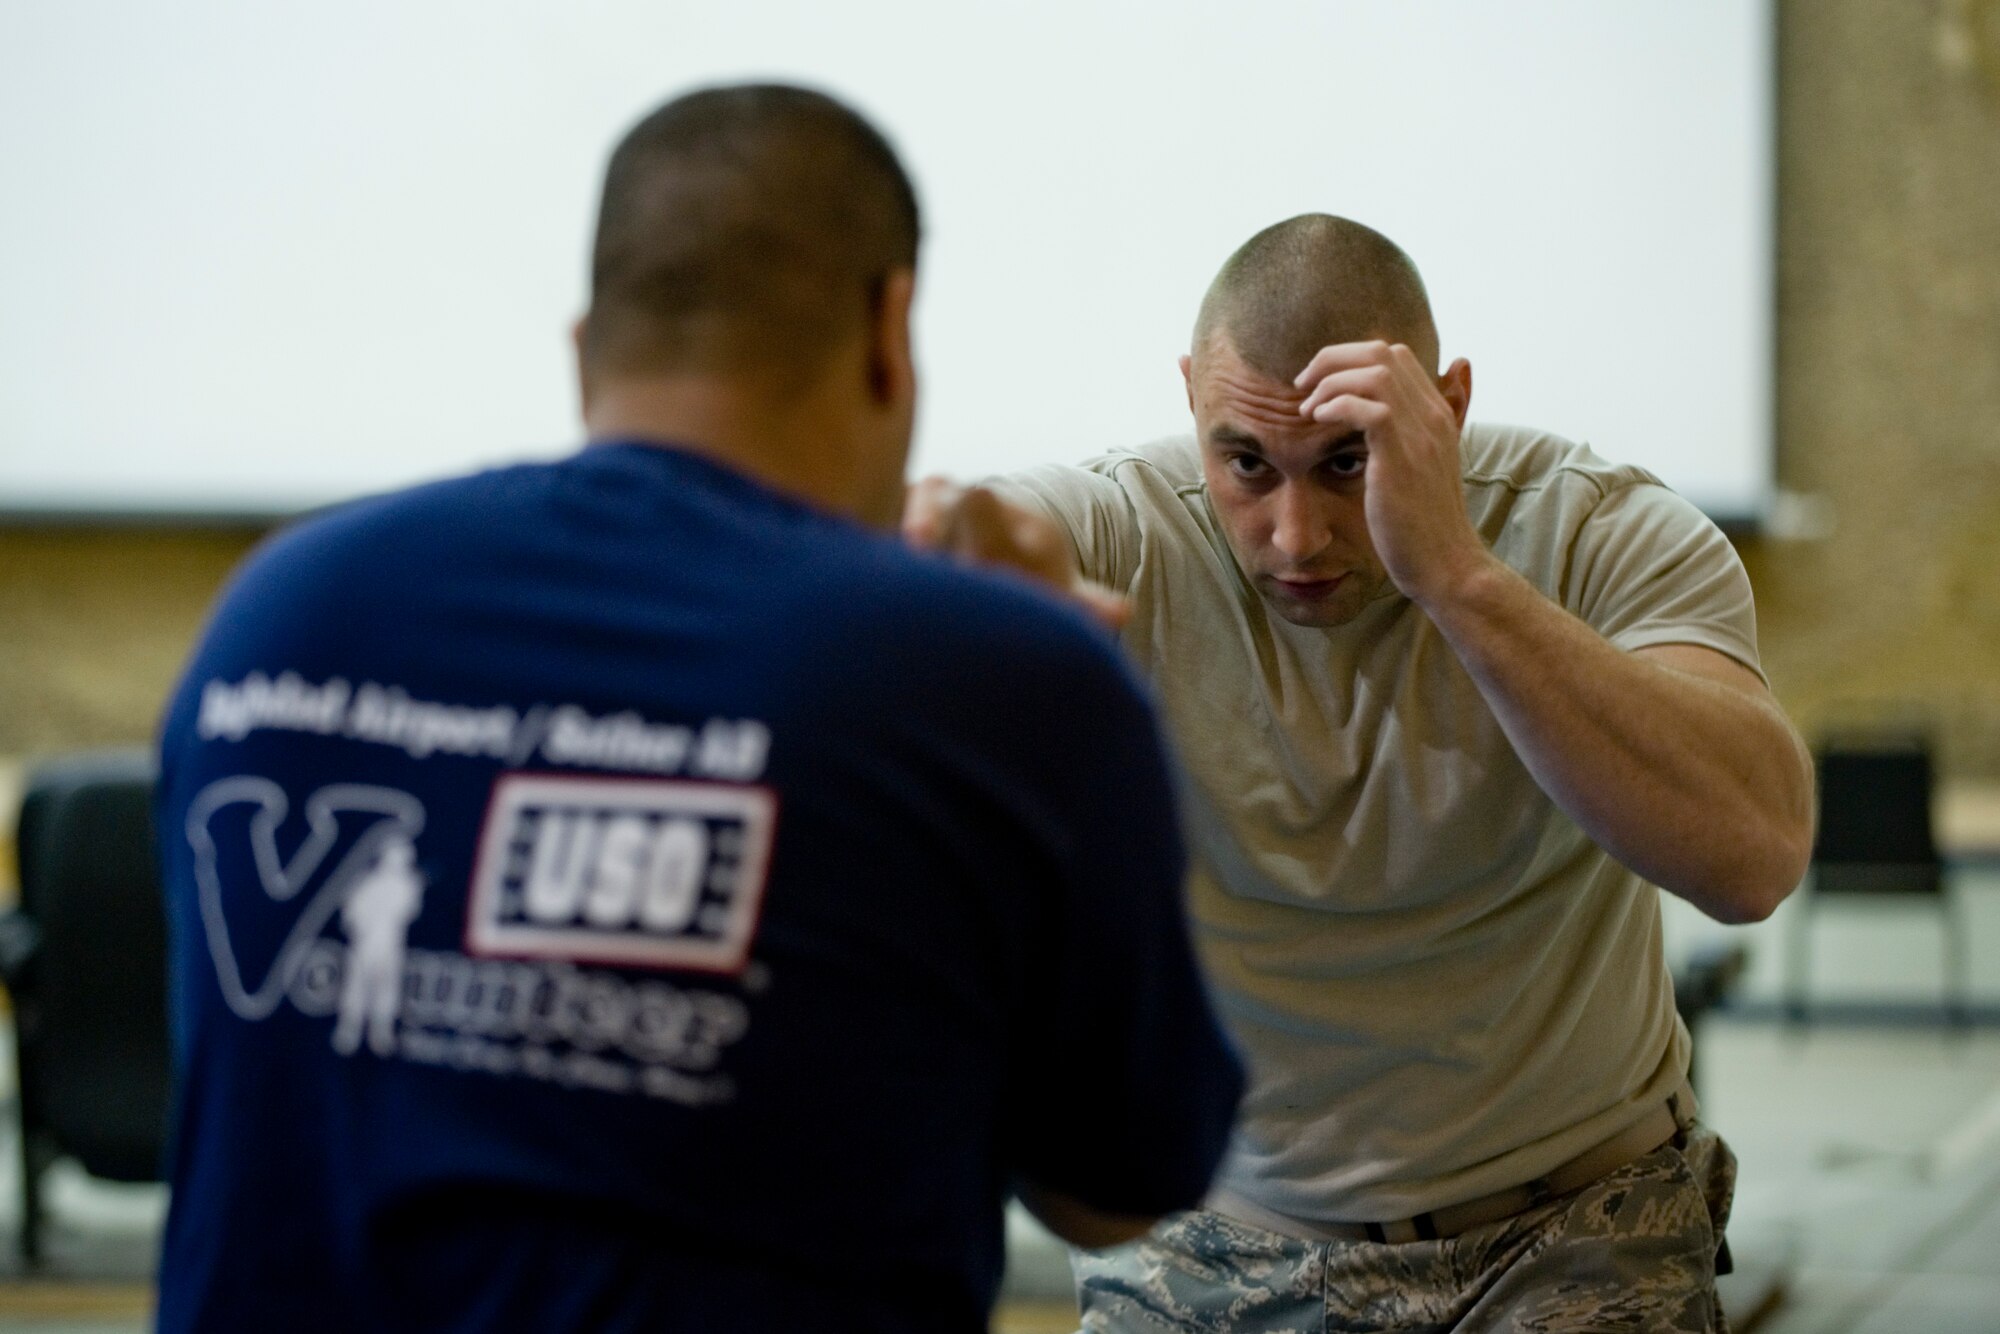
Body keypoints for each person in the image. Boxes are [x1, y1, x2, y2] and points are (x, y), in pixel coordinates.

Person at [152, 83, 1244, 1334]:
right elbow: (1117, 1185)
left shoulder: (281, 615)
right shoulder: (1005, 679)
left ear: (584, 345)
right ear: (888, 332)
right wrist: (1043, 687)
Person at [906, 213, 1815, 1333]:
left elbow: (1752, 858)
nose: (1295, 535)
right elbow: (987, 545)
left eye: (1347, 463)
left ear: (1447, 408)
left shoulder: (1596, 527)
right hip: (1213, 1234)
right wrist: (941, 577)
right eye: (1246, 462)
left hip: (1573, 1224)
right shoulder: (1122, 532)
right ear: (1191, 399)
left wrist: (1458, 576)